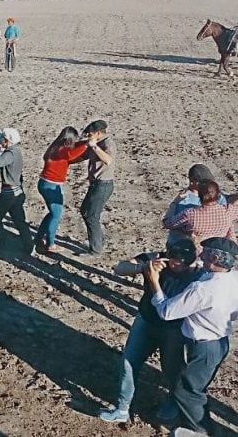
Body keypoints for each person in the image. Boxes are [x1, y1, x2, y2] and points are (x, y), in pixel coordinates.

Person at [99, 239, 200, 424]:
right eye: (174, 259)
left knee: (172, 370)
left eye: (183, 260)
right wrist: (144, 267)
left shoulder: (199, 274)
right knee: (128, 363)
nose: (177, 264)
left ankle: (173, 402)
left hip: (174, 330)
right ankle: (122, 408)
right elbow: (119, 268)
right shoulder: (155, 261)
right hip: (146, 321)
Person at [147, 237, 238, 435]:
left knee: (188, 390)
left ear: (214, 257)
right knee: (197, 387)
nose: (200, 255)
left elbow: (167, 311)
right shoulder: (234, 278)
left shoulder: (203, 290)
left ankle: (200, 430)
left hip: (204, 345)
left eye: (205, 253)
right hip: (221, 342)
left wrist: (154, 282)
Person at [34, 126, 88, 254]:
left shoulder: (55, 147)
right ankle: (50, 244)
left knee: (52, 213)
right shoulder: (64, 151)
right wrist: (87, 144)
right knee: (56, 215)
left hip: (46, 183)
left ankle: (39, 238)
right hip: (51, 185)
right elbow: (73, 153)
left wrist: (84, 142)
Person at [0, 128, 34, 254]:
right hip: (17, 192)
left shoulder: (10, 154)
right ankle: (29, 245)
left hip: (8, 193)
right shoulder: (15, 151)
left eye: (2, 138)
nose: (0, 140)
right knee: (19, 220)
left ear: (7, 140)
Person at [71, 119, 115, 255]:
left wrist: (95, 146)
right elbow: (82, 157)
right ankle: (99, 241)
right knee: (86, 211)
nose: (88, 136)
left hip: (103, 185)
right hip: (95, 184)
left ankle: (95, 248)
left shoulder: (107, 144)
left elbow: (108, 160)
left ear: (98, 133)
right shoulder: (95, 143)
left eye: (90, 134)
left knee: (91, 215)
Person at [163, 164, 227, 244]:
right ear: (193, 180)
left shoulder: (185, 204)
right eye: (204, 182)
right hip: (203, 244)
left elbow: (168, 223)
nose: (207, 185)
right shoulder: (184, 200)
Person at [163, 180, 238, 244]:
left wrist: (175, 202)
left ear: (199, 195)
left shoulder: (190, 214)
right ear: (219, 194)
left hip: (197, 252)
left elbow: (167, 224)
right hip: (217, 250)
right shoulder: (228, 210)